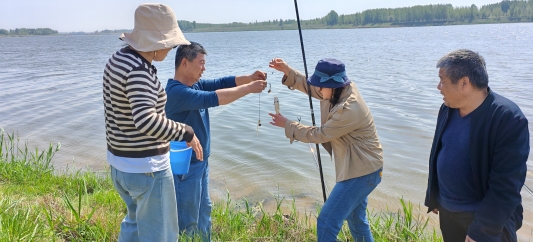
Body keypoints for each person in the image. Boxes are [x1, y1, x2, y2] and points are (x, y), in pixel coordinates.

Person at [102, 4, 203, 242]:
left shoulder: (118, 59)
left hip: (120, 164)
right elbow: (146, 120)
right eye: (170, 43)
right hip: (146, 169)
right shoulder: (139, 70)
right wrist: (186, 132)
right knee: (162, 235)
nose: (171, 48)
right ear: (157, 41)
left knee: (134, 224)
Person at [268, 58, 384, 242]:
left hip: (362, 172)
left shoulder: (349, 108)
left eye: (322, 87)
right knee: (356, 220)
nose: (319, 91)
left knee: (326, 223)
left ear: (334, 85)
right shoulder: (337, 90)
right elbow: (311, 86)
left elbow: (320, 134)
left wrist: (288, 125)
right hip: (361, 167)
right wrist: (287, 71)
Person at [165, 41, 267, 240]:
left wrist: (249, 78)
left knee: (205, 212)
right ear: (185, 63)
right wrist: (249, 88)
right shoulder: (177, 92)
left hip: (201, 162)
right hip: (187, 167)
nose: (204, 68)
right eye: (201, 63)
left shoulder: (195, 85)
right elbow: (214, 98)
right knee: (188, 220)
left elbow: (221, 83)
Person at [424, 49, 529, 242]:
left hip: (483, 219)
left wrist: (481, 231)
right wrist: (436, 196)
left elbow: (506, 185)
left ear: (464, 83)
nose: (438, 87)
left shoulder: (507, 118)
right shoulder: (447, 108)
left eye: (442, 80)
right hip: (449, 213)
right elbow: (439, 152)